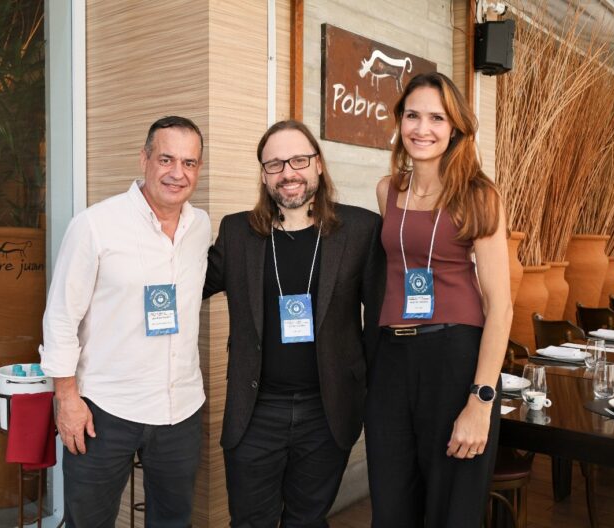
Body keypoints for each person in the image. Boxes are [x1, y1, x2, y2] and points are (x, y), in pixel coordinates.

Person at [204, 120, 384, 527]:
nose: (288, 173)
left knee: (307, 521)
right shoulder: (237, 232)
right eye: (275, 164)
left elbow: (378, 322)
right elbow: (189, 285)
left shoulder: (361, 230)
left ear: (318, 164)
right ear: (263, 175)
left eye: (299, 160)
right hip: (255, 411)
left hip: (327, 410)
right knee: (250, 521)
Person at [40, 116, 210, 527]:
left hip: (181, 409)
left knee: (174, 520)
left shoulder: (200, 226)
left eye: (189, 163)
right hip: (104, 410)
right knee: (89, 521)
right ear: (144, 159)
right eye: (166, 159)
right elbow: (61, 316)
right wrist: (67, 399)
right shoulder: (95, 225)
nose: (177, 173)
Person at [365, 72, 512, 527]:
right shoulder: (388, 190)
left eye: (436, 118)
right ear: (399, 121)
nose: (422, 128)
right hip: (392, 361)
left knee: (451, 512)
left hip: (454, 359)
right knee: (391, 508)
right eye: (413, 116)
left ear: (455, 128)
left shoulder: (478, 195)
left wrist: (480, 401)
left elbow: (501, 306)